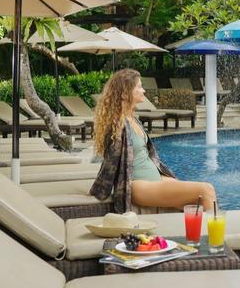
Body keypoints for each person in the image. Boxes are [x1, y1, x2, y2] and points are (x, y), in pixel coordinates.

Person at [90, 69, 216, 213]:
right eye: (139, 87)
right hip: (140, 185)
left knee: (200, 203)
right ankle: (215, 235)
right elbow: (110, 161)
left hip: (156, 179)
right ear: (125, 92)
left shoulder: (134, 119)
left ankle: (201, 233)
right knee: (206, 190)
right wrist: (99, 188)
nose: (143, 90)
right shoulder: (118, 125)